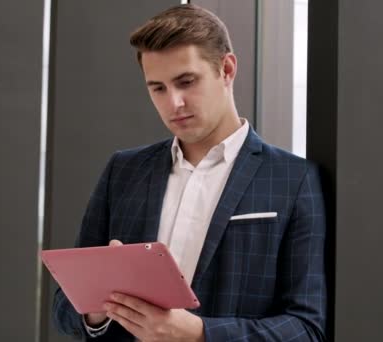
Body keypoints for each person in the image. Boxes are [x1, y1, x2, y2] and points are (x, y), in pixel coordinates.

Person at [52, 4, 326, 341]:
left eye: (186, 82)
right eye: (158, 88)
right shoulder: (123, 171)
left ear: (226, 69)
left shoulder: (294, 180)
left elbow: (307, 329)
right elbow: (64, 308)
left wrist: (200, 334)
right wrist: (100, 305)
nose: (174, 103)